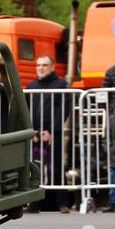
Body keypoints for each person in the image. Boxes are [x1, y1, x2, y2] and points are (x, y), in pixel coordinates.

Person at [27, 55, 72, 211]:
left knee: (56, 167)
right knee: (34, 168)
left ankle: (62, 203)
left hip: (54, 135)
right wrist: (31, 129)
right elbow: (27, 110)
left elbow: (64, 110)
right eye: (38, 65)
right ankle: (34, 203)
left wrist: (52, 130)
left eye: (44, 65)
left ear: (52, 67)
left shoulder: (61, 85)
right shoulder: (31, 86)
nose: (40, 67)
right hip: (35, 134)